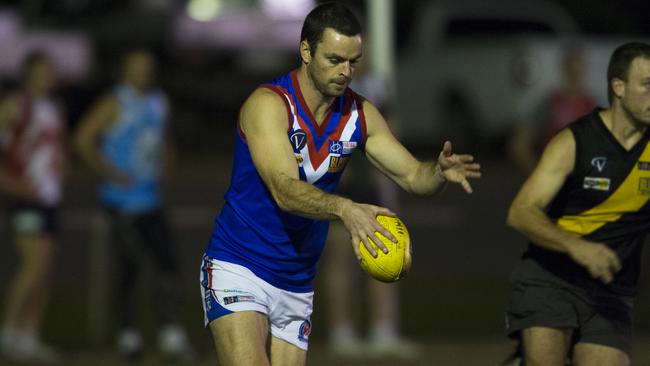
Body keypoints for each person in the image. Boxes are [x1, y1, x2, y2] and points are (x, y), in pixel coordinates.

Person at [199, 3, 481, 366]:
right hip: (239, 265)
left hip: (296, 278)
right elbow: (284, 190)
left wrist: (438, 172)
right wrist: (345, 208)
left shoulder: (358, 115)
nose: (345, 72)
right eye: (334, 59)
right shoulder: (269, 105)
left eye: (353, 61)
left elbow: (413, 177)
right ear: (306, 51)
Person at [505, 42, 650, 366]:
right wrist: (577, 246)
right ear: (619, 87)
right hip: (550, 279)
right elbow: (520, 212)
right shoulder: (575, 140)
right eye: (647, 85)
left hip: (611, 289)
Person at [74, 49, 193, 362]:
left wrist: (168, 167)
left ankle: (171, 332)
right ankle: (128, 333)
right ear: (125, 71)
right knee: (129, 268)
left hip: (151, 199)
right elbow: (83, 138)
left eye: (147, 69)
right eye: (137, 69)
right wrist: (110, 172)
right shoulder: (114, 101)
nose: (143, 74)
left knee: (168, 264)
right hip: (121, 202)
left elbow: (164, 139)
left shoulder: (158, 101)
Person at [322, 55, 418, 360]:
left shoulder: (376, 88)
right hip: (338, 183)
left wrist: (392, 178)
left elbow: (391, 132)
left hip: (371, 186)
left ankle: (383, 330)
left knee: (384, 251)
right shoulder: (326, 86)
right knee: (339, 259)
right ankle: (341, 331)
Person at [0, 51, 65, 364]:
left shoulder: (54, 108)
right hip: (23, 198)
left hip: (49, 198)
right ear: (28, 74)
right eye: (41, 72)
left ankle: (28, 336)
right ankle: (9, 332)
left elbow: (53, 150)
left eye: (50, 72)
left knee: (46, 269)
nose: (47, 78)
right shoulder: (15, 105)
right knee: (33, 263)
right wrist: (10, 183)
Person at [509, 46, 597, 174]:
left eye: (578, 66)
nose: (575, 71)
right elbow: (520, 141)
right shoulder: (552, 102)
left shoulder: (591, 105)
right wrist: (536, 171)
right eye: (571, 66)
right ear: (565, 68)